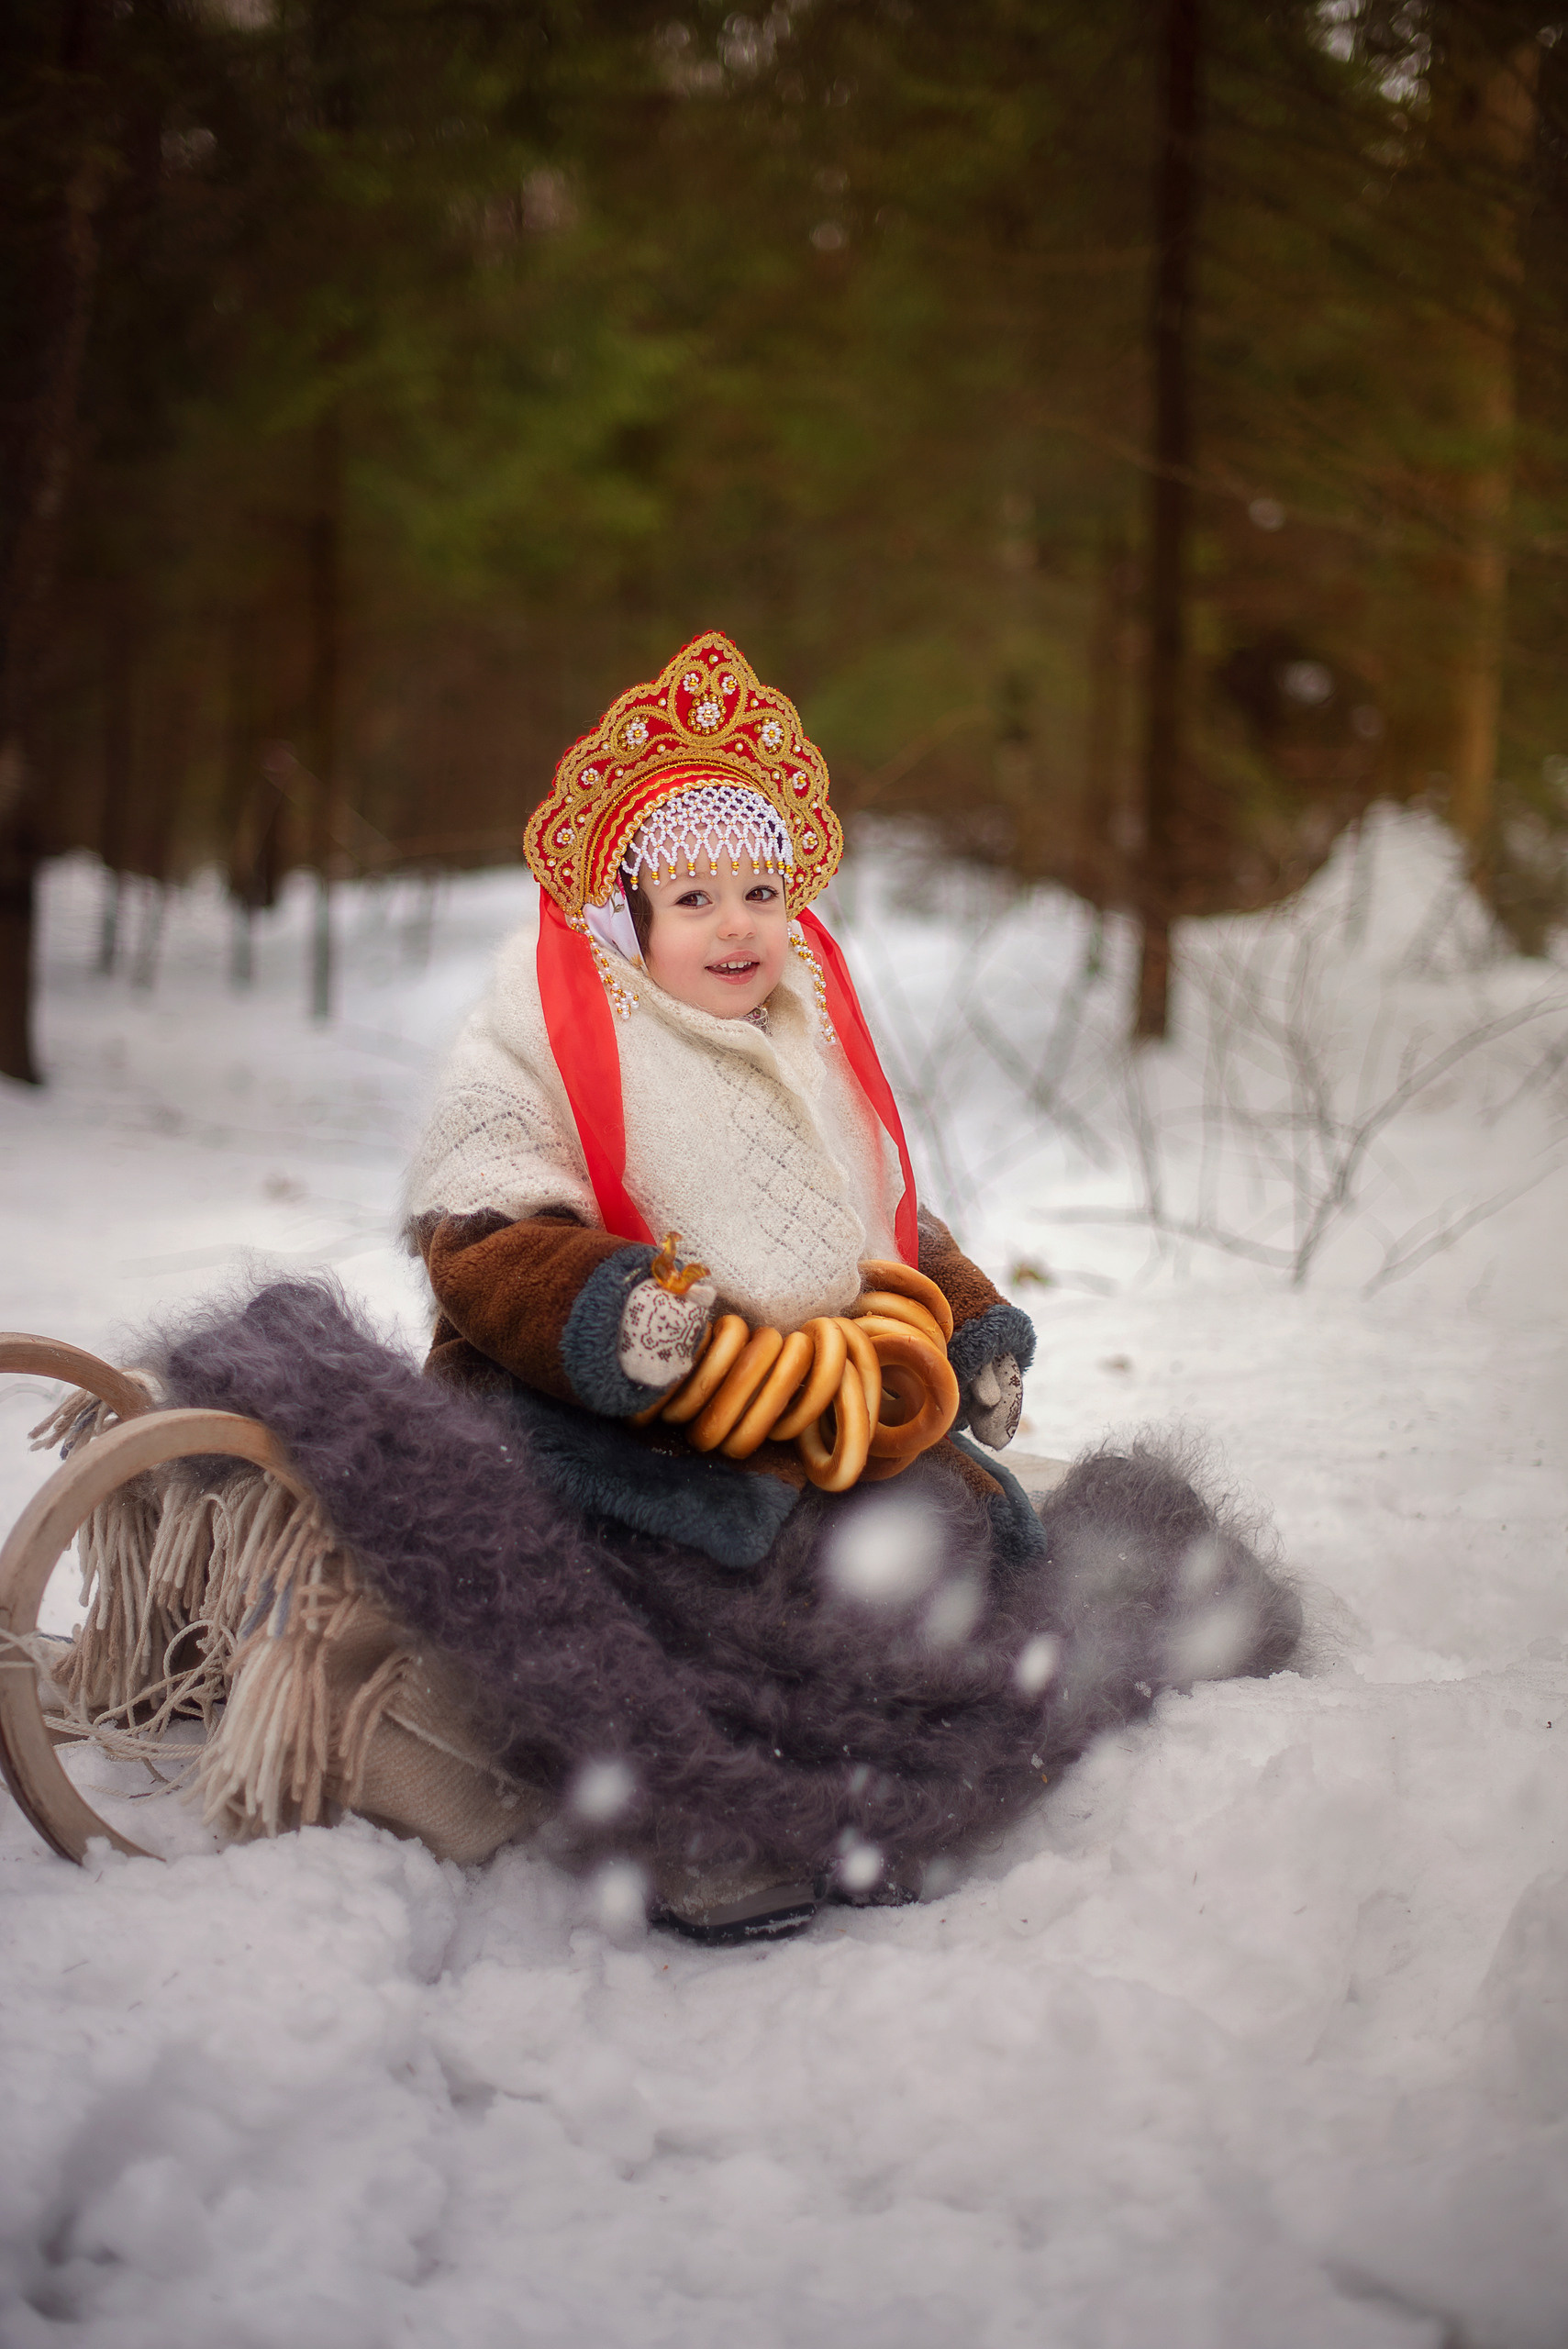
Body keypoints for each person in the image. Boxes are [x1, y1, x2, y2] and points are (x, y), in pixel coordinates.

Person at [382, 629, 1300, 1940]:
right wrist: (617, 1314)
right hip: (608, 1421)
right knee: (697, 1596)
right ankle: (711, 1815)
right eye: (693, 898)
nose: (737, 924)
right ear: (623, 914)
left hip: (805, 1413)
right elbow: (484, 1241)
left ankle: (897, 1758)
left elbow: (877, 1222)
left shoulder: (801, 1036)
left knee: (924, 1559)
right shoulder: (537, 1042)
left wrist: (967, 1323)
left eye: (761, 892)